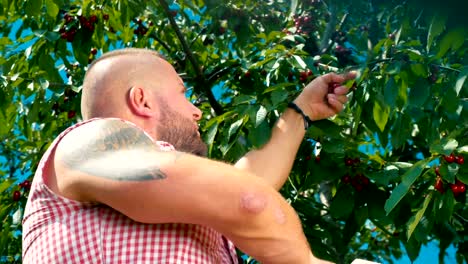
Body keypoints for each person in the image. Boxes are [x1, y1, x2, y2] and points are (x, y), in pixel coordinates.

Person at [22, 48, 355, 263]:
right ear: (143, 100)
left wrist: (301, 111)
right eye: (184, 94)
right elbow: (249, 200)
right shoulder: (89, 142)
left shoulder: (185, 203)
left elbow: (247, 184)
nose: (197, 112)